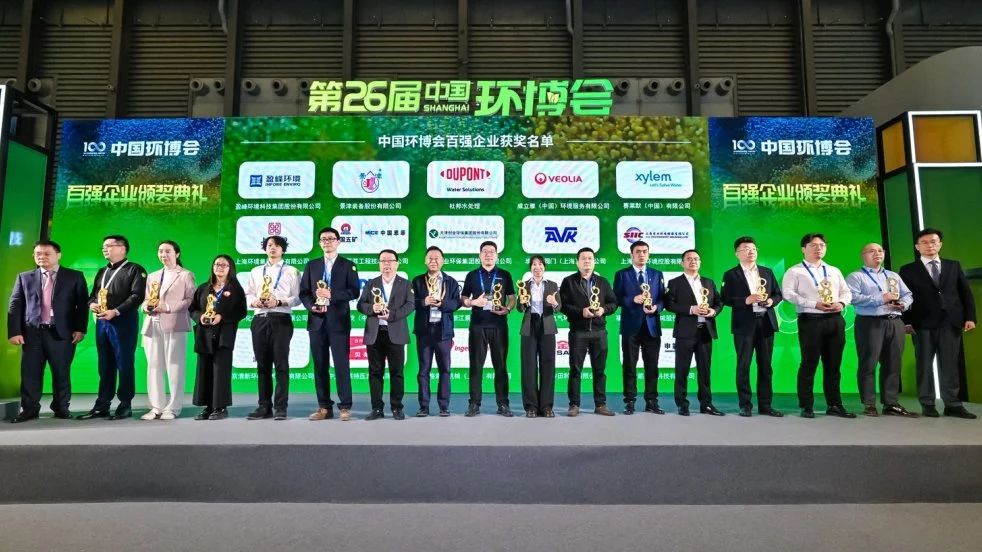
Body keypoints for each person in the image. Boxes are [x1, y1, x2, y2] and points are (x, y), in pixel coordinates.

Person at [7, 240, 88, 423]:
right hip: (32, 334)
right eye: (38, 254)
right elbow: (15, 305)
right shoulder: (24, 277)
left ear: (58, 255)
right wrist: (14, 331)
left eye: (46, 254)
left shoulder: (74, 276)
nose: (41, 257)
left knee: (61, 372)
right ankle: (29, 409)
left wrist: (80, 329)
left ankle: (61, 407)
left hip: (62, 334)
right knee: (30, 373)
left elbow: (82, 305)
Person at [899, 228, 977, 419]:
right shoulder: (907, 269)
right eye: (924, 242)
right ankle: (927, 403)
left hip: (951, 322)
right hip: (922, 323)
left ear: (940, 244)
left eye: (933, 241)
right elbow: (904, 297)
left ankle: (953, 404)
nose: (930, 245)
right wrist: (906, 322)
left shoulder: (953, 265)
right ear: (917, 247)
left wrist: (970, 317)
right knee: (924, 365)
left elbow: (965, 293)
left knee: (950, 365)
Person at [781, 233, 855, 419]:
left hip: (835, 319)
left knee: (833, 365)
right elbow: (788, 294)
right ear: (803, 249)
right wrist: (813, 304)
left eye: (822, 245)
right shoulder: (795, 271)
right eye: (813, 245)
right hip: (810, 320)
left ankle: (835, 404)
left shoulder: (834, 270)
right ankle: (806, 405)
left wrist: (842, 303)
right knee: (809, 363)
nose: (818, 248)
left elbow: (846, 292)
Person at [77, 235, 147, 421]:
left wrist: (116, 311)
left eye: (109, 246)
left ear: (122, 248)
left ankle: (125, 404)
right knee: (105, 364)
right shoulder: (103, 271)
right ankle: (102, 404)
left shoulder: (135, 269)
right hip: (102, 323)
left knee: (124, 363)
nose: (104, 249)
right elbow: (93, 295)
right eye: (103, 246)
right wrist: (92, 304)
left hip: (123, 322)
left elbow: (137, 296)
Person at [845, 243, 916, 417]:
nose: (877, 253)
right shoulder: (856, 276)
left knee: (893, 363)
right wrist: (881, 298)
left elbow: (908, 294)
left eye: (880, 251)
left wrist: (903, 304)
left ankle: (890, 403)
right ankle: (869, 403)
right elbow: (852, 297)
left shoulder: (892, 275)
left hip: (895, 322)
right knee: (868, 363)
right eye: (871, 251)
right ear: (863, 255)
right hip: (870, 323)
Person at [299, 227, 360, 422]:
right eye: (323, 239)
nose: (327, 242)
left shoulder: (348, 265)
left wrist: (332, 295)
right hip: (317, 322)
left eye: (331, 239)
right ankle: (324, 407)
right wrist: (312, 306)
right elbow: (304, 292)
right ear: (319, 243)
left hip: (339, 322)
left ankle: (345, 406)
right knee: (320, 366)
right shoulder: (312, 265)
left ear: (338, 242)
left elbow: (354, 292)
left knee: (341, 365)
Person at [720, 236, 784, 417]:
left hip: (766, 323)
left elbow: (778, 294)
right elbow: (724, 299)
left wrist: (771, 301)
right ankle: (745, 405)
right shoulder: (730, 274)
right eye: (746, 249)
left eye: (754, 249)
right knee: (743, 365)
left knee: (766, 366)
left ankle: (766, 405)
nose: (751, 252)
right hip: (744, 325)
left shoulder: (767, 272)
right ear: (737, 253)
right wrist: (745, 300)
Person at [244, 235, 300, 421]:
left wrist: (279, 301)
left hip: (281, 319)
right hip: (259, 319)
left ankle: (281, 407)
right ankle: (264, 406)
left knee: (281, 365)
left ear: (283, 249)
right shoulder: (256, 271)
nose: (272, 248)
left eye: (277, 245)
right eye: (269, 245)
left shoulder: (292, 271)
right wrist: (254, 301)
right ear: (265, 248)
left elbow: (297, 298)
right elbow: (248, 294)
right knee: (262, 366)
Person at [139, 240, 195, 420]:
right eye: (161, 251)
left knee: (174, 365)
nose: (163, 254)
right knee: (154, 366)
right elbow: (145, 299)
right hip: (152, 323)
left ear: (177, 254)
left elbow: (190, 300)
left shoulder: (185, 275)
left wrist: (168, 307)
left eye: (168, 251)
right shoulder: (152, 276)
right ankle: (156, 407)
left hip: (175, 324)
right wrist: (146, 307)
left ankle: (173, 407)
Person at [665, 249, 725, 416]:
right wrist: (691, 309)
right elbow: (669, 304)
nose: (693, 261)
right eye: (689, 259)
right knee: (682, 370)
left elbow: (719, 302)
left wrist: (713, 311)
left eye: (696, 259)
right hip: (685, 332)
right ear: (682, 263)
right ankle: (682, 404)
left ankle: (706, 404)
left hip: (705, 331)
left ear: (700, 262)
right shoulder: (675, 283)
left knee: (705, 371)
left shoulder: (708, 282)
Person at [559, 247, 617, 417]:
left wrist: (603, 310)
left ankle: (600, 404)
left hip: (599, 332)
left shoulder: (603, 282)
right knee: (575, 370)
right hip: (578, 332)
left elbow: (613, 303)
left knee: (599, 371)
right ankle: (574, 405)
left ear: (594, 262)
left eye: (590, 258)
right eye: (583, 258)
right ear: (577, 262)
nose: (587, 261)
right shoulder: (568, 282)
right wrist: (581, 312)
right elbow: (563, 306)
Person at [357, 249, 414, 420]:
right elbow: (360, 305)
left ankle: (397, 408)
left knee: (397, 372)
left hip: (395, 332)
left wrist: (392, 315)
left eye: (390, 260)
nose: (386, 264)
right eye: (383, 261)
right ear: (379, 264)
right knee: (375, 373)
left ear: (397, 263)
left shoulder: (406, 284)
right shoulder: (371, 283)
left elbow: (410, 305)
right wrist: (371, 308)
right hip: (375, 333)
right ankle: (377, 409)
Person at [460, 241, 516, 417]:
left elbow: (512, 297)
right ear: (480, 255)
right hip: (478, 326)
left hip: (499, 326)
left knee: (501, 366)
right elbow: (463, 298)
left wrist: (507, 309)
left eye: (492, 251)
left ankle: (503, 404)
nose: (488, 254)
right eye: (485, 251)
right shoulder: (472, 275)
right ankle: (474, 404)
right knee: (476, 366)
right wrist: (473, 302)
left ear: (497, 255)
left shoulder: (505, 274)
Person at [190, 255, 247, 420]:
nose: (219, 267)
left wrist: (222, 317)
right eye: (217, 264)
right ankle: (208, 407)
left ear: (230, 269)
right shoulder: (203, 288)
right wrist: (200, 316)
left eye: (224, 265)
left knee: (221, 371)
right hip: (204, 335)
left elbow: (241, 311)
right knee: (204, 371)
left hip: (224, 336)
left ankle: (220, 407)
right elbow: (192, 309)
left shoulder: (235, 289)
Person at [613, 241, 665, 415]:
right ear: (631, 255)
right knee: (629, 366)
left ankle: (652, 401)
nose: (641, 254)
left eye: (645, 251)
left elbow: (663, 299)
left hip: (652, 326)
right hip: (630, 327)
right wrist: (632, 300)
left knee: (652, 366)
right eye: (638, 252)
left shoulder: (657, 274)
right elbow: (615, 299)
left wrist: (656, 307)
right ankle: (630, 401)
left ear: (648, 254)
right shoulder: (622, 275)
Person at [411, 246, 461, 417]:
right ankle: (424, 406)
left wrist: (443, 304)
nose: (433, 261)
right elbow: (410, 303)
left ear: (443, 261)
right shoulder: (417, 281)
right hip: (424, 331)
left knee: (445, 370)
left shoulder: (451, 281)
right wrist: (424, 301)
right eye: (430, 258)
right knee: (423, 370)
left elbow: (456, 303)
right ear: (425, 261)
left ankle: (444, 406)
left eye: (437, 258)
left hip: (443, 331)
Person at [516, 255, 561, 418]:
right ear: (530, 268)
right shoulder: (523, 285)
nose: (537, 267)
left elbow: (559, 307)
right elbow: (520, 309)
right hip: (529, 326)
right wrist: (523, 302)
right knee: (528, 366)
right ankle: (531, 407)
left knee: (548, 366)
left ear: (544, 268)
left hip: (547, 326)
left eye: (540, 264)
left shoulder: (552, 285)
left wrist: (554, 302)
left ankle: (547, 406)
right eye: (534, 264)